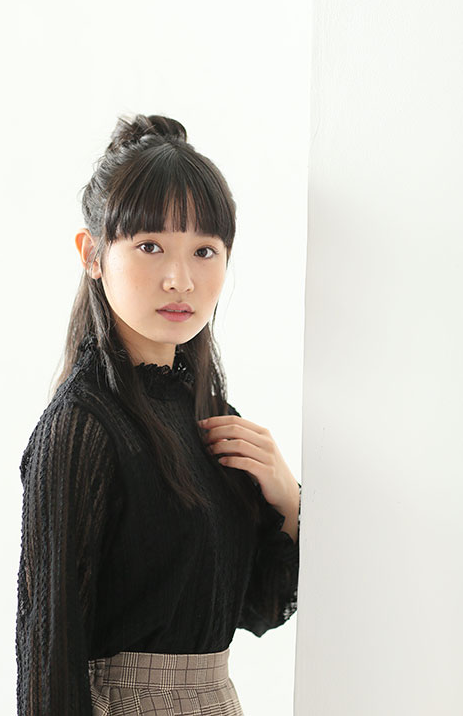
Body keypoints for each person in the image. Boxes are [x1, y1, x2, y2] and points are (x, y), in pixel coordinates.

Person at [15, 113, 301, 715]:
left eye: (204, 251)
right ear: (93, 254)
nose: (180, 279)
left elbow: (257, 606)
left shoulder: (208, 418)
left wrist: (287, 497)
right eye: (150, 247)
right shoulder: (82, 424)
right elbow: (49, 657)